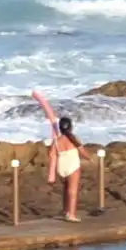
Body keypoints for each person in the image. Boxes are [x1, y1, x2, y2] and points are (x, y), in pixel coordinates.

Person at [31, 89, 87, 222]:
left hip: (61, 167)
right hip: (73, 166)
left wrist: (51, 174)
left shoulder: (56, 141)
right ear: (71, 127)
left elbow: (52, 155)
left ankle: (65, 210)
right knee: (73, 191)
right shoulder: (73, 138)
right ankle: (71, 215)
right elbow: (82, 151)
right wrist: (89, 157)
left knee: (66, 189)